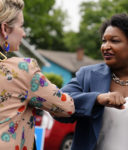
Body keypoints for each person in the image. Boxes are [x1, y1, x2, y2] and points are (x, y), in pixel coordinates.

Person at [56, 13, 128, 150]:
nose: (106, 46)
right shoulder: (87, 75)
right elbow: (58, 103)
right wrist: (97, 99)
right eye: (104, 41)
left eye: (114, 41)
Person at [0, 0, 75, 149]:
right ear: (4, 29)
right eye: (21, 26)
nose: (24, 33)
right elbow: (66, 107)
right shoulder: (22, 69)